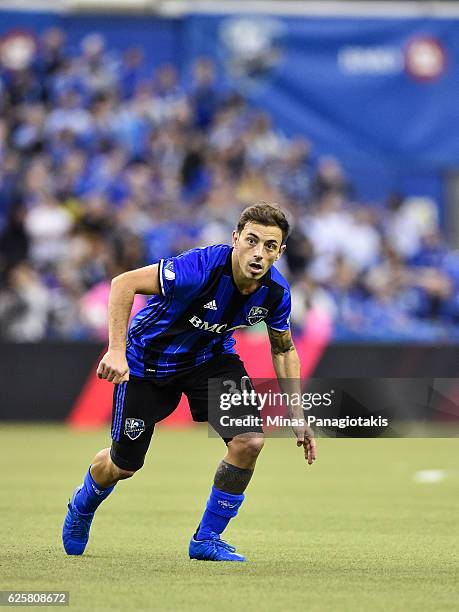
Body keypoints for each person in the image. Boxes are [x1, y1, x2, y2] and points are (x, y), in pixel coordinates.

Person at [62, 202, 317, 562]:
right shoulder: (200, 267)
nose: (259, 253)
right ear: (235, 239)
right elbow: (123, 284)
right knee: (124, 466)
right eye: (252, 241)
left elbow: (284, 347)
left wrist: (297, 413)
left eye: (269, 246)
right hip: (147, 363)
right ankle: (82, 504)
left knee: (249, 441)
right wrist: (116, 351)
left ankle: (206, 539)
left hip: (209, 361)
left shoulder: (276, 292)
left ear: (280, 251)